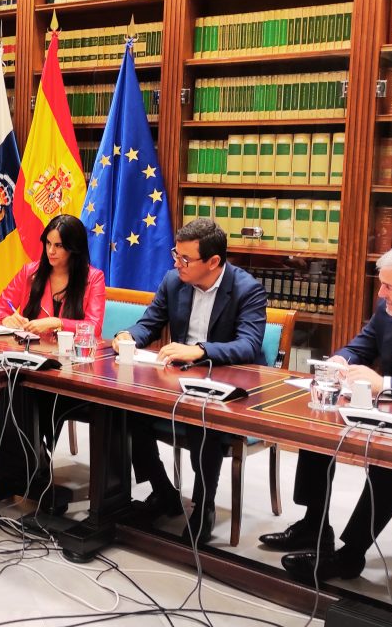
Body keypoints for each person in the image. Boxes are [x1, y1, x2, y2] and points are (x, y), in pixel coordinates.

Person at [261, 243, 392, 583]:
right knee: (319, 424)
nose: (380, 294)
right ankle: (314, 526)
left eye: (388, 286)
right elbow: (360, 345)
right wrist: (340, 360)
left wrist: (385, 383)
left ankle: (350, 556)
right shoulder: (386, 310)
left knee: (389, 458)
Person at [112, 218, 267, 544]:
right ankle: (163, 490)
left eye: (185, 259)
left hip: (228, 388)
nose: (177, 264)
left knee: (202, 420)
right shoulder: (174, 281)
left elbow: (249, 345)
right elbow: (150, 323)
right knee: (124, 410)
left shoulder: (246, 289)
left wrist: (200, 350)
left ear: (213, 262)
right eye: (176, 255)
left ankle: (203, 505)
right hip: (179, 381)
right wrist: (128, 336)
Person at [0, 215, 106, 487]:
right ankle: (18, 465)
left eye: (59, 246)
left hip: (72, 369)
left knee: (27, 389)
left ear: (74, 248)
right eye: (48, 244)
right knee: (14, 383)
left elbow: (94, 327)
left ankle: (32, 461)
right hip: (32, 361)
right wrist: (6, 319)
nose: (51, 251)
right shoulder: (30, 272)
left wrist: (57, 322)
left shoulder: (93, 278)